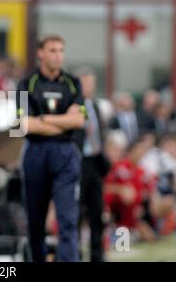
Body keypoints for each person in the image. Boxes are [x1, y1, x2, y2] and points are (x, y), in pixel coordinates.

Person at [17, 35, 86, 262]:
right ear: (40, 53)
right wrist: (62, 121)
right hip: (36, 153)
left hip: (65, 153)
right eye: (53, 50)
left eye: (60, 50)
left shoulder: (73, 82)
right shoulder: (27, 83)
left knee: (67, 219)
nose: (58, 55)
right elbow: (24, 124)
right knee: (36, 222)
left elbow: (78, 121)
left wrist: (43, 120)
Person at [75, 68, 109, 262]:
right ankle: (76, 254)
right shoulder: (72, 106)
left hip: (95, 162)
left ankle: (97, 255)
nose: (90, 87)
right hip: (79, 162)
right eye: (86, 83)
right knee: (77, 212)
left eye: (92, 83)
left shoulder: (95, 105)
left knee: (97, 212)